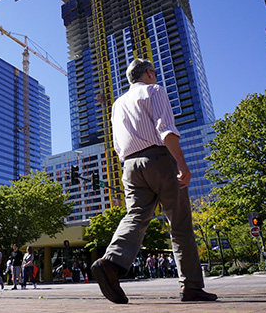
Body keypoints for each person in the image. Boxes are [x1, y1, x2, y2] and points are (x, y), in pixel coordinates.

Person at [90, 58, 217, 304]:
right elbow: (166, 129)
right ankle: (191, 286)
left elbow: (117, 145)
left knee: (136, 215)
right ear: (149, 73)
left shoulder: (117, 104)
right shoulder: (154, 90)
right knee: (179, 225)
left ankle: (111, 263)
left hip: (129, 165)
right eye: (154, 73)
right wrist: (181, 163)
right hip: (158, 159)